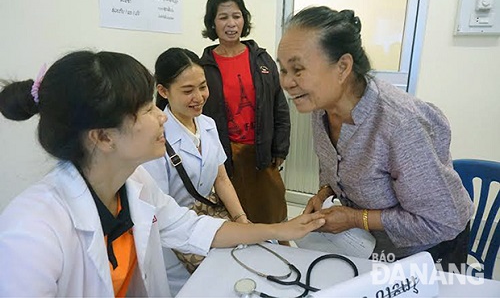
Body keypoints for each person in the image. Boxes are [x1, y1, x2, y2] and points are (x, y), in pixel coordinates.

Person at [0, 50, 325, 297]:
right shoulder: (31, 232)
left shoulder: (134, 185)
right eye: (146, 109)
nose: (162, 118)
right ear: (103, 136)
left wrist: (281, 229)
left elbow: (193, 228)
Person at [276, 6, 473, 271]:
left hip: (428, 251)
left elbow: (442, 221)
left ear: (343, 67)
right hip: (373, 245)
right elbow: (340, 167)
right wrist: (325, 192)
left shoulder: (401, 124)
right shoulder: (321, 108)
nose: (287, 82)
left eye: (297, 69)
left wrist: (356, 218)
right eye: (283, 70)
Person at [142, 47, 249, 294]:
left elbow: (221, 179)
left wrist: (241, 219)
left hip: (207, 223)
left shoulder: (208, 125)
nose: (199, 97)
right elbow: (160, 209)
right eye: (188, 91)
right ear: (163, 91)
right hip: (175, 242)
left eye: (202, 87)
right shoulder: (157, 137)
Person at [200, 0, 290, 225]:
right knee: (235, 217)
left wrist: (280, 149)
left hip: (261, 154)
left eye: (236, 16)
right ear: (212, 23)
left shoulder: (261, 59)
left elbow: (279, 106)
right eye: (223, 17)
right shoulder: (204, 66)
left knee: (271, 214)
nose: (231, 23)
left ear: (244, 19)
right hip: (225, 158)